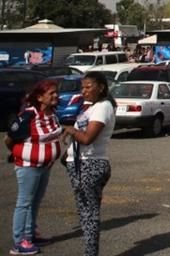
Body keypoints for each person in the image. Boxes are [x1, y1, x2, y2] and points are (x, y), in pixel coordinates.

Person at [62, 72, 117, 256]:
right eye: (82, 87)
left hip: (91, 166)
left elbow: (87, 139)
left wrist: (69, 129)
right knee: (85, 213)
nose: (83, 91)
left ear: (100, 87)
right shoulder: (91, 108)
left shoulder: (103, 107)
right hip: (81, 164)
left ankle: (91, 253)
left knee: (89, 215)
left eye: (88, 87)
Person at [6, 79, 63, 256]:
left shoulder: (52, 114)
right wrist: (20, 154)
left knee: (35, 201)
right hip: (29, 166)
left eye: (56, 92)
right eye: (51, 93)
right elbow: (9, 138)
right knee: (24, 202)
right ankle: (19, 242)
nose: (55, 96)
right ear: (39, 97)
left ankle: (30, 234)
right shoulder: (28, 116)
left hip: (45, 165)